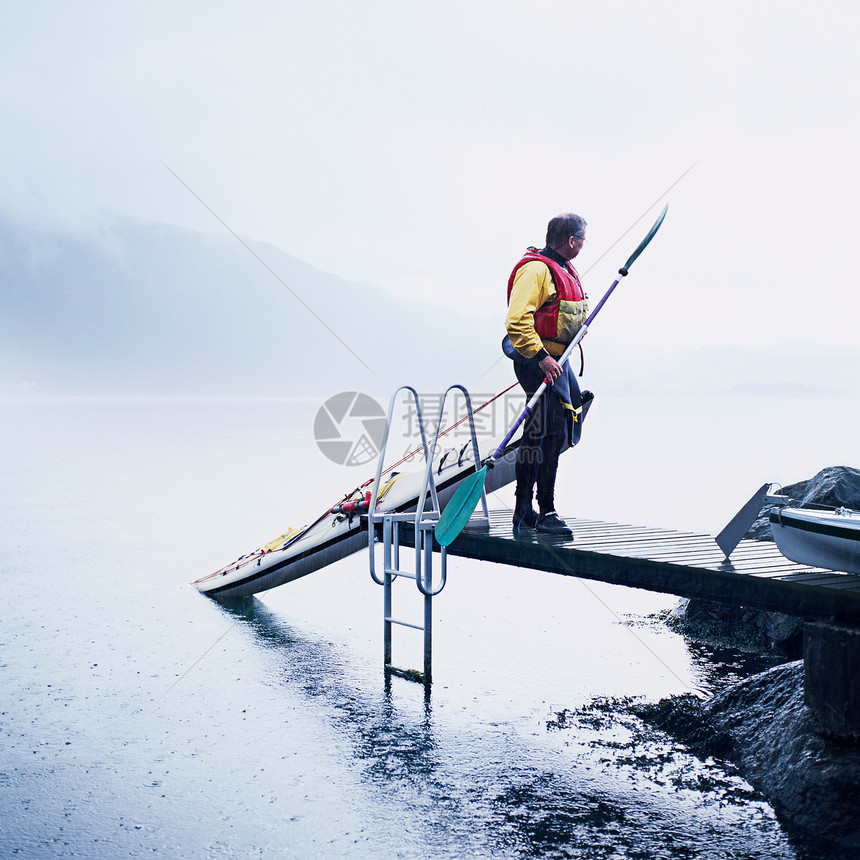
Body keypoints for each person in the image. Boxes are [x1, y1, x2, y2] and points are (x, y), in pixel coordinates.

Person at [504, 213, 589, 537]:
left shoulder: (565, 269)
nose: (583, 245)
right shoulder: (536, 269)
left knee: (540, 432)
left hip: (556, 360)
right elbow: (516, 321)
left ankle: (525, 511)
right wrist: (541, 358)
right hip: (536, 360)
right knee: (549, 431)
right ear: (571, 241)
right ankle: (545, 511)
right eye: (582, 239)